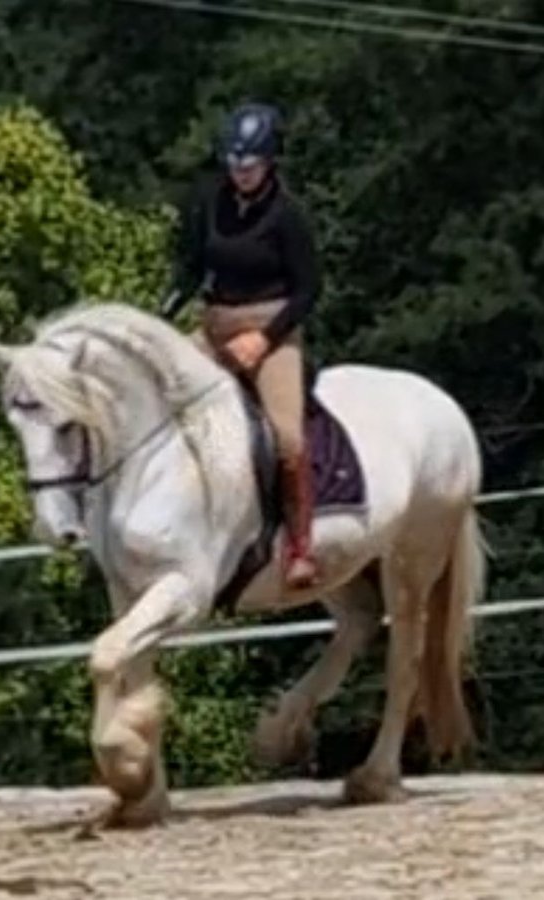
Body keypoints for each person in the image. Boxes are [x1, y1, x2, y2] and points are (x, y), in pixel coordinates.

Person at [161, 102, 322, 589]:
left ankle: (299, 547)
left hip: (272, 329)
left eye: (248, 165)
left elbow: (309, 290)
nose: (240, 173)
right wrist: (161, 319)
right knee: (161, 400)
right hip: (214, 323)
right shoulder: (209, 201)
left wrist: (265, 337)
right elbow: (190, 268)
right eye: (233, 164)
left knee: (289, 442)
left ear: (269, 162)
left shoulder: (287, 216)